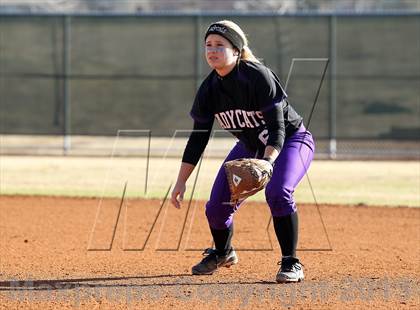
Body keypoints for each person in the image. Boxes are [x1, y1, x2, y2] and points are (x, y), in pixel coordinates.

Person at [170, 20, 315, 283]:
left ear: (237, 50)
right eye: (208, 45)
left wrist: (268, 162)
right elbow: (197, 140)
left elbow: (278, 127)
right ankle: (223, 252)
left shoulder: (257, 76)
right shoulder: (209, 90)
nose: (212, 50)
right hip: (249, 147)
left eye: (220, 45)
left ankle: (291, 262)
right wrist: (181, 180)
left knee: (278, 191)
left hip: (292, 141)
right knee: (215, 208)